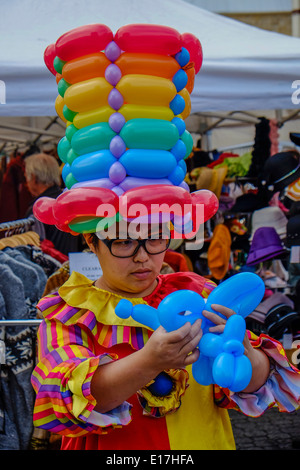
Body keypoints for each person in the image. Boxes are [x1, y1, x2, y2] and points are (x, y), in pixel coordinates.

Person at [31, 222, 300, 451]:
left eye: (156, 238)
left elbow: (252, 383)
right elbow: (61, 400)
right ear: (92, 241)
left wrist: (243, 352)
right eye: (124, 242)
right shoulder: (70, 312)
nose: (143, 257)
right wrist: (149, 361)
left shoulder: (197, 293)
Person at [24, 153, 81, 256]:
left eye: (26, 177)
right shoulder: (69, 199)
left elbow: (36, 251)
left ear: (33, 177)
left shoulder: (37, 210)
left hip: (52, 269)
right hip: (74, 265)